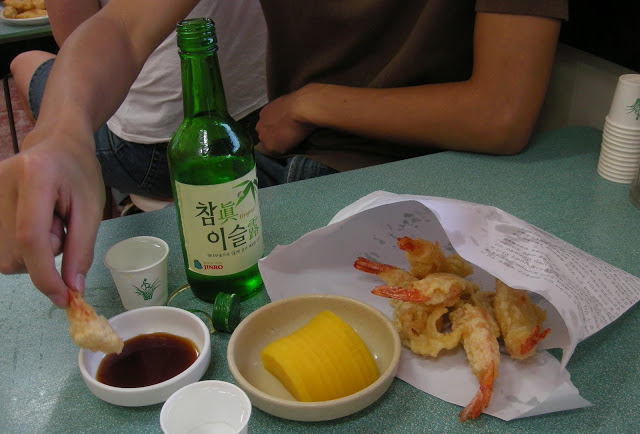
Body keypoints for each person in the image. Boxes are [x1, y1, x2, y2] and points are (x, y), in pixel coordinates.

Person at [0, 0, 568, 308]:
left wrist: (312, 104)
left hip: (448, 180)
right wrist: (62, 134)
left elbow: (502, 112)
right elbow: (123, 28)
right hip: (295, 172)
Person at [9, 0, 267, 203]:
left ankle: (95, 209)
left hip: (157, 153)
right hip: (266, 119)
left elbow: (73, 33)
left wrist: (58, 136)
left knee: (25, 61)